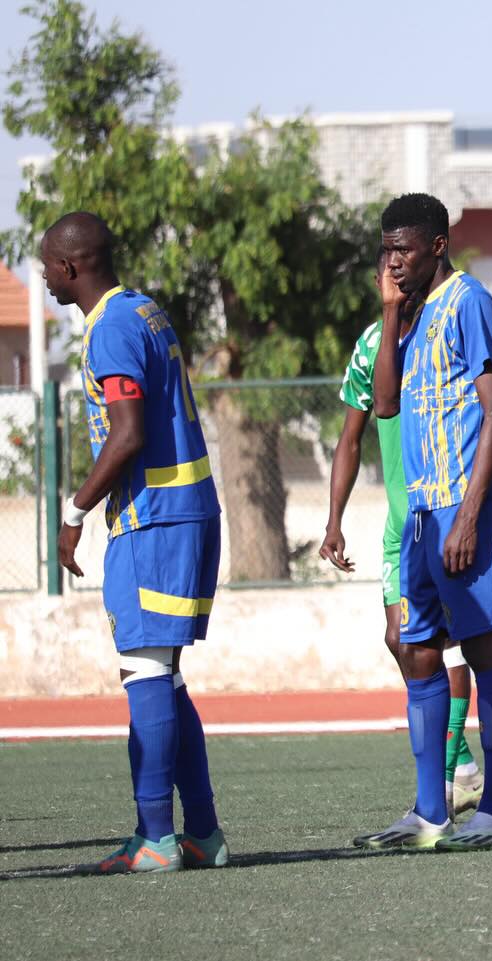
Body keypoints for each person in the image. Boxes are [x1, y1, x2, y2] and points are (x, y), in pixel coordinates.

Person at [47, 211, 227, 872]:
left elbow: (126, 433)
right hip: (179, 510)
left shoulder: (114, 326)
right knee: (166, 677)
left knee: (147, 672)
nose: (42, 277)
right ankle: (202, 833)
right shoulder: (143, 309)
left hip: (156, 517)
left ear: (71, 267)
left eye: (47, 265)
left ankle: (157, 837)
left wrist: (74, 509)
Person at [359, 192, 492, 851]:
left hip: (466, 509)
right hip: (423, 512)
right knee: (417, 649)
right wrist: (390, 309)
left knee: (483, 649)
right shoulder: (414, 314)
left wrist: (470, 517)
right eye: (385, 251)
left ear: (435, 246)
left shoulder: (469, 302)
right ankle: (430, 812)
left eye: (403, 250)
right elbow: (387, 403)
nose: (392, 262)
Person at [320, 252, 483, 821]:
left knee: (450, 639)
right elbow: (351, 437)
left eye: (400, 268)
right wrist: (334, 518)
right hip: (400, 524)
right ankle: (459, 763)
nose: (394, 280)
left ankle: (449, 778)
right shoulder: (372, 345)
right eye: (384, 273)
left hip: (446, 511)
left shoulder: (446, 329)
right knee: (402, 640)